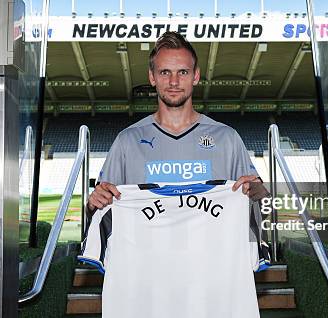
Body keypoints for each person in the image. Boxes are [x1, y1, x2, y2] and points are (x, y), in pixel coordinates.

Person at [87, 31, 267, 210]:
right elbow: (100, 212)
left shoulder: (227, 138)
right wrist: (93, 204)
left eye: (183, 72)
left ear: (195, 76)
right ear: (152, 77)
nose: (174, 81)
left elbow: (261, 210)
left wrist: (260, 196)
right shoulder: (127, 140)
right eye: (165, 72)